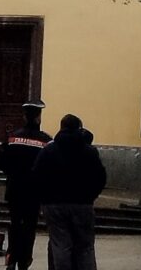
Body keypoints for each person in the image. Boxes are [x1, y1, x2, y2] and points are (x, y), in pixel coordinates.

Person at [31, 115, 106, 270]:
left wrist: (44, 200)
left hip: (54, 205)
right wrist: (91, 196)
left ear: (61, 127)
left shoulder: (48, 151)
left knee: (60, 245)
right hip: (82, 204)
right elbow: (100, 177)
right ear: (79, 128)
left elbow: (37, 176)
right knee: (85, 247)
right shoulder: (89, 151)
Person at [0, 100, 52, 270]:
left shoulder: (12, 137)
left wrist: (13, 174)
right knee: (29, 227)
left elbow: (2, 162)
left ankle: (11, 257)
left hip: (14, 189)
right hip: (34, 192)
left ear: (24, 116)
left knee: (14, 224)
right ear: (38, 117)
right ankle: (24, 260)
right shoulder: (46, 141)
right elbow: (49, 167)